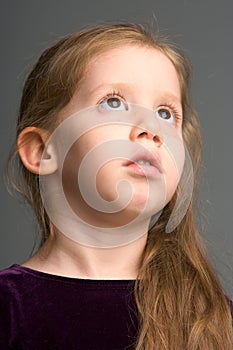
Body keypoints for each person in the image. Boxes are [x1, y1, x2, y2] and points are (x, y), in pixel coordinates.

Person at [0, 23, 232, 350]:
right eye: (113, 103)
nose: (151, 129)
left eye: (166, 113)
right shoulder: (8, 307)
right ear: (42, 150)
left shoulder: (212, 318)